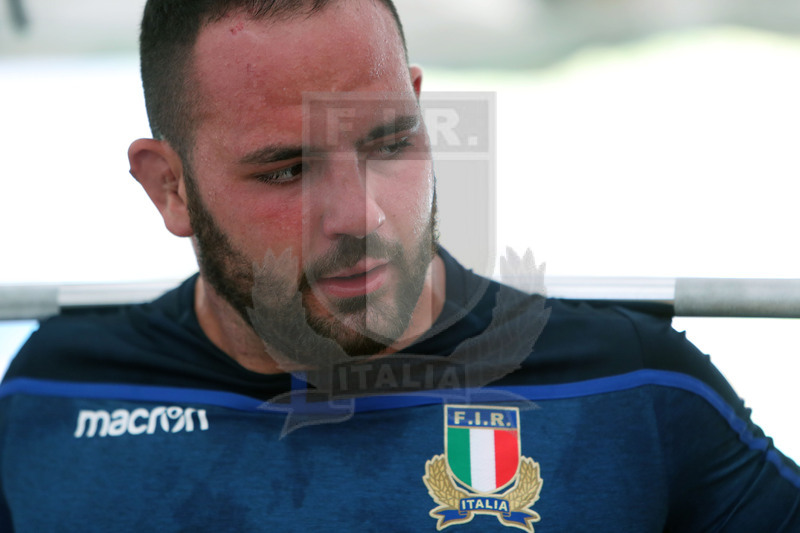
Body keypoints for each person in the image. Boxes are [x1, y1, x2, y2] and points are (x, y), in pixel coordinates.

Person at [1, 0, 798, 531]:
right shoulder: (50, 397)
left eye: (388, 143)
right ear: (168, 186)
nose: (362, 216)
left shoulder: (631, 390)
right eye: (286, 169)